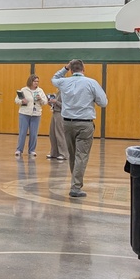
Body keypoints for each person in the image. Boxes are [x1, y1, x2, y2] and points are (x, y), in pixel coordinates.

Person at [52, 60, 108, 198]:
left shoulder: (64, 82)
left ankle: (75, 182)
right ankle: (76, 187)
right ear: (84, 69)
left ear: (71, 70)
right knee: (81, 156)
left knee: (72, 154)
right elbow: (103, 102)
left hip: (67, 123)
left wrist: (64, 68)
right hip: (85, 124)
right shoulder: (91, 82)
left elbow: (54, 79)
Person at [14, 74, 48, 157]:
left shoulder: (40, 91)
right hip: (24, 113)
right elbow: (16, 100)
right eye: (35, 81)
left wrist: (41, 99)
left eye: (37, 81)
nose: (36, 83)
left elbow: (45, 102)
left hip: (36, 114)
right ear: (30, 81)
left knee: (33, 133)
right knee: (22, 132)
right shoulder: (24, 90)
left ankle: (32, 150)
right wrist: (22, 101)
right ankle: (19, 149)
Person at [46, 92, 68, 161]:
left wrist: (56, 102)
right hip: (55, 112)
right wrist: (51, 102)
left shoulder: (66, 92)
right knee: (52, 134)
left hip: (60, 114)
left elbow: (66, 105)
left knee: (60, 134)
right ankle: (54, 152)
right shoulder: (58, 92)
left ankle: (63, 153)